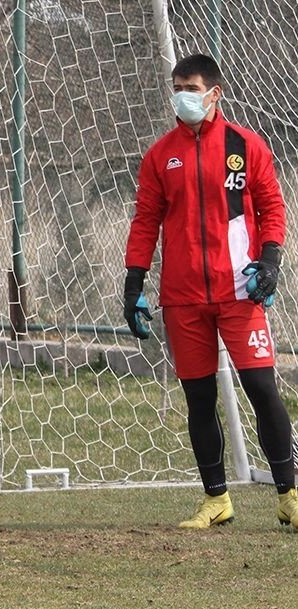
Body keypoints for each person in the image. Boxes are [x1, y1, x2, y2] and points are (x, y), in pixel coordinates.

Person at [123, 54, 297, 529]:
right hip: (182, 299)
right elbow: (145, 223)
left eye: (192, 87)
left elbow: (272, 208)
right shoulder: (161, 155)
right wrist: (133, 283)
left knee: (262, 388)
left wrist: (271, 262)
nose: (183, 95)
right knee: (198, 398)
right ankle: (216, 499)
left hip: (240, 292)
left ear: (214, 92)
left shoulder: (246, 146)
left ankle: (289, 495)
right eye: (177, 86)